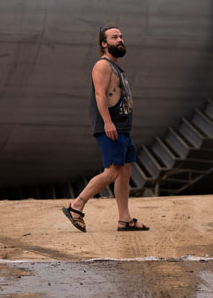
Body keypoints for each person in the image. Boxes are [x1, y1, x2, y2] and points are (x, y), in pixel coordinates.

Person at [61, 25, 150, 233]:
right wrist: (108, 122)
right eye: (114, 37)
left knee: (124, 170)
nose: (120, 40)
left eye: (121, 36)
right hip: (111, 127)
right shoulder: (102, 66)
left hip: (122, 128)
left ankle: (124, 219)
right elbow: (100, 95)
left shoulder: (116, 67)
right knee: (111, 172)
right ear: (104, 43)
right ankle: (76, 206)